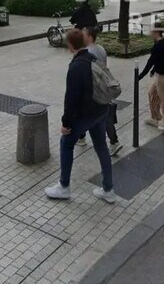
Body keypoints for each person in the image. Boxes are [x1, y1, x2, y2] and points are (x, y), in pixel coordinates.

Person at [44, 29, 116, 204]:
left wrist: (66, 123)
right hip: (101, 110)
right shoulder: (93, 58)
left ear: (70, 46)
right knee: (101, 147)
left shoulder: (76, 66)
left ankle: (64, 187)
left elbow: (71, 99)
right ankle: (108, 189)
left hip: (85, 115)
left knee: (66, 143)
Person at [76, 27, 122, 156]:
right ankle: (113, 141)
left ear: (90, 37)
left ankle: (82, 138)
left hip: (92, 90)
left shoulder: (87, 52)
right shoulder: (101, 49)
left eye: (84, 35)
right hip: (102, 88)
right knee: (103, 115)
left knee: (84, 113)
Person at [139, 25, 164, 134]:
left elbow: (150, 62)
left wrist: (140, 76)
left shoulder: (159, 45)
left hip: (163, 77)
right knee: (152, 93)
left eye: (151, 31)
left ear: (156, 32)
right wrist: (153, 71)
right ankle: (155, 118)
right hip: (163, 74)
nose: (149, 33)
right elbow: (162, 59)